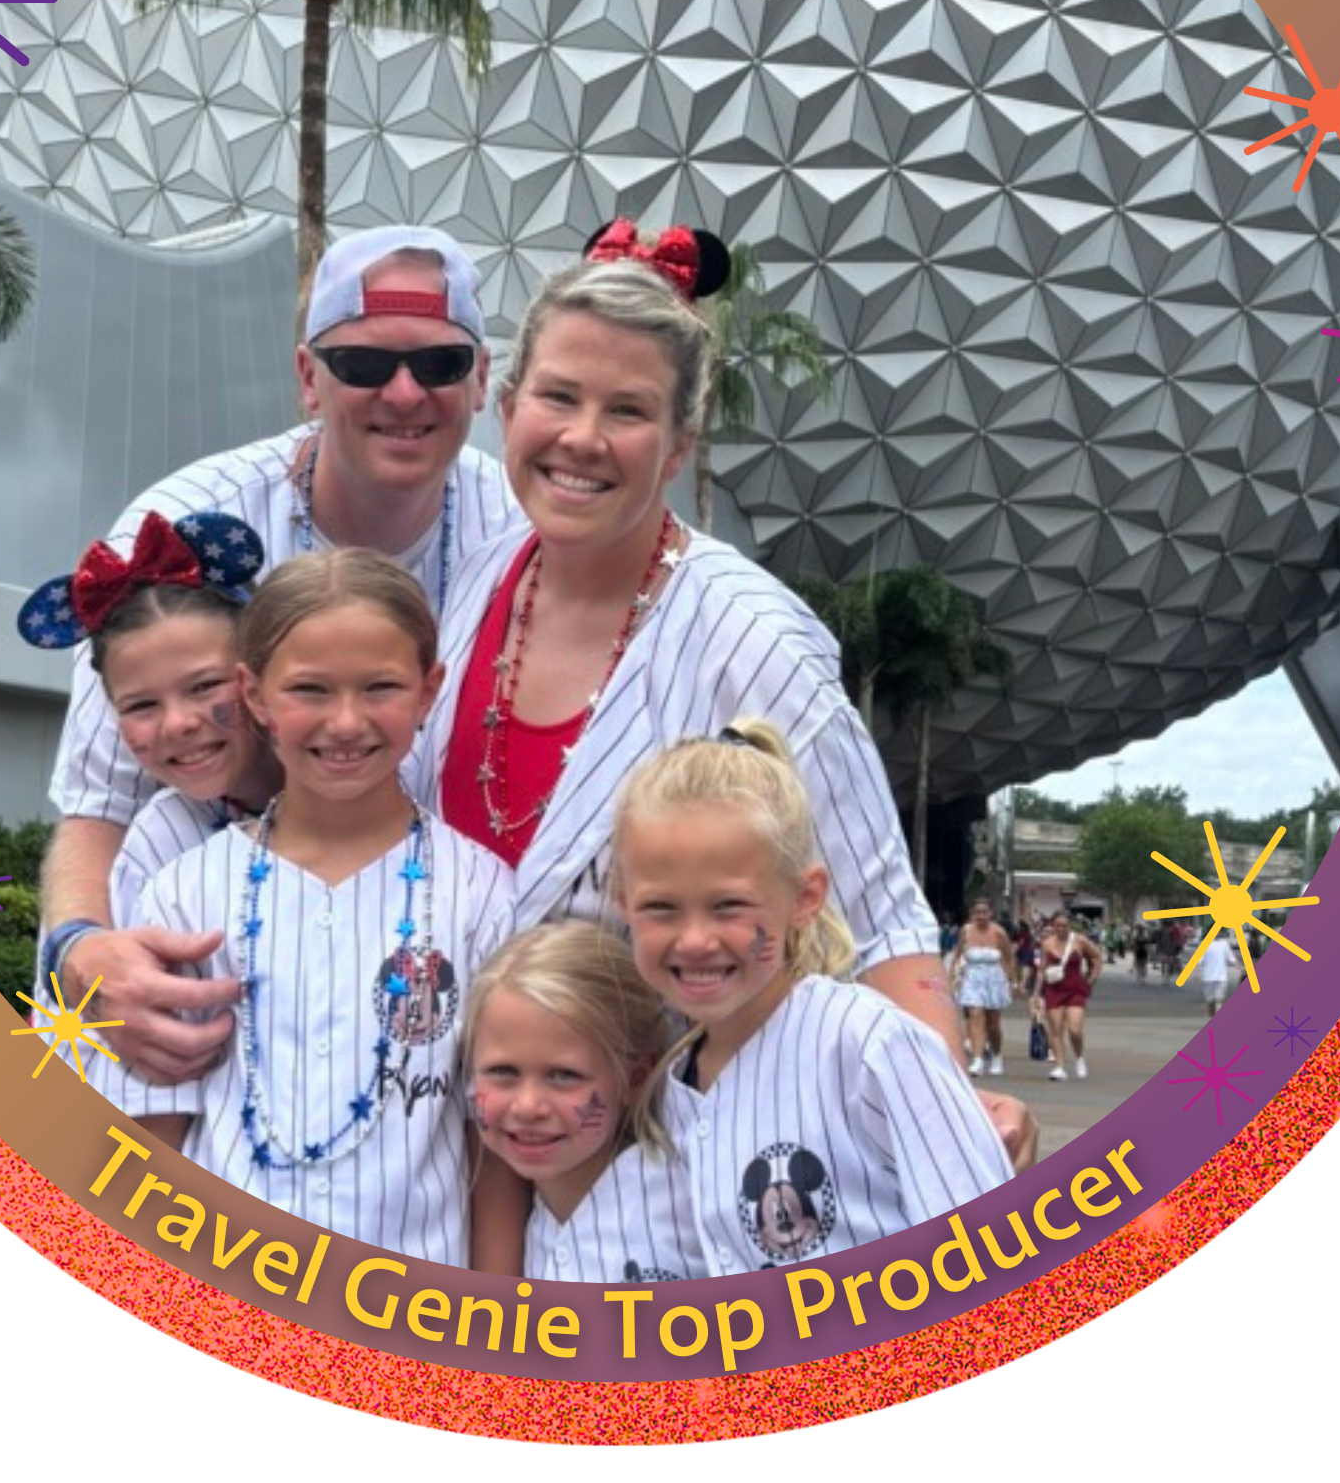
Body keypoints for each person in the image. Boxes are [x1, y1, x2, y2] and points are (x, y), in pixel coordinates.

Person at [407, 226, 1033, 1168]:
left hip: (658, 1176)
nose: (581, 438)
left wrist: (944, 1129)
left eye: (627, 410)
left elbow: (879, 918)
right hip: (446, 1145)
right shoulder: (476, 576)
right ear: (506, 404)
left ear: (677, 445)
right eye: (558, 396)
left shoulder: (750, 639)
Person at [37, 228, 523, 1082]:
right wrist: (80, 955)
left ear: (481, 380)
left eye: (441, 364)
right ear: (308, 377)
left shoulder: (529, 539)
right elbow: (97, 801)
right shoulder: (180, 524)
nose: (405, 393)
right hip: (226, 968)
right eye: (365, 365)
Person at [94, 549, 516, 1265]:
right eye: (310, 690)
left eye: (380, 686)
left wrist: (500, 1328)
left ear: (428, 689)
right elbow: (149, 1135)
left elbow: (496, 1144)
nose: (346, 723)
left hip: (415, 1326)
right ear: (254, 696)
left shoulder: (483, 894)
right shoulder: (184, 893)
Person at [612, 722, 1015, 1274]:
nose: (696, 939)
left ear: (804, 898)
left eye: (729, 905)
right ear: (622, 903)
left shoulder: (867, 1046)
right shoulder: (670, 1091)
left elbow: (995, 1260)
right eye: (661, 908)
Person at [15, 509, 282, 936]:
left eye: (205, 685)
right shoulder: (157, 844)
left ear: (262, 672)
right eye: (141, 705)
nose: (177, 724)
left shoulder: (379, 781)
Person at [461, 921, 701, 1283]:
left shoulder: (688, 1207)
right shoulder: (532, 1229)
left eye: (563, 1076)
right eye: (502, 1072)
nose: (527, 1106)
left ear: (634, 1078)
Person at [945, 898, 1017, 1076]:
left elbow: (1008, 958)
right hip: (972, 978)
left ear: (990, 914)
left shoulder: (999, 932)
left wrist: (1011, 981)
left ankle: (996, 1055)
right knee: (975, 1015)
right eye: (977, 913)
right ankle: (977, 1059)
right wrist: (952, 975)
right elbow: (957, 954)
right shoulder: (966, 931)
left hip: (994, 978)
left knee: (993, 1023)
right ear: (972, 915)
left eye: (984, 913)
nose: (981, 916)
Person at [1034, 913, 1102, 1082]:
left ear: (1069, 926)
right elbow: (1042, 969)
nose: (1061, 929)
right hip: (1054, 990)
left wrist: (1092, 978)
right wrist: (1036, 992)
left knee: (1075, 1029)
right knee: (1056, 1030)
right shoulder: (1047, 944)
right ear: (1053, 926)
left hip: (1075, 989)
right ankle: (1060, 1067)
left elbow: (1097, 957)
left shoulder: (1079, 941)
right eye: (1057, 925)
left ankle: (1079, 1057)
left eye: (1064, 925)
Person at [1197, 928, 1236, 1017]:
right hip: (1215, 977)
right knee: (1214, 1001)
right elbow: (1231, 960)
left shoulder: (1222, 944)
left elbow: (1199, 961)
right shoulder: (1207, 944)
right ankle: (1211, 1017)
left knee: (1216, 1000)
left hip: (1211, 977)